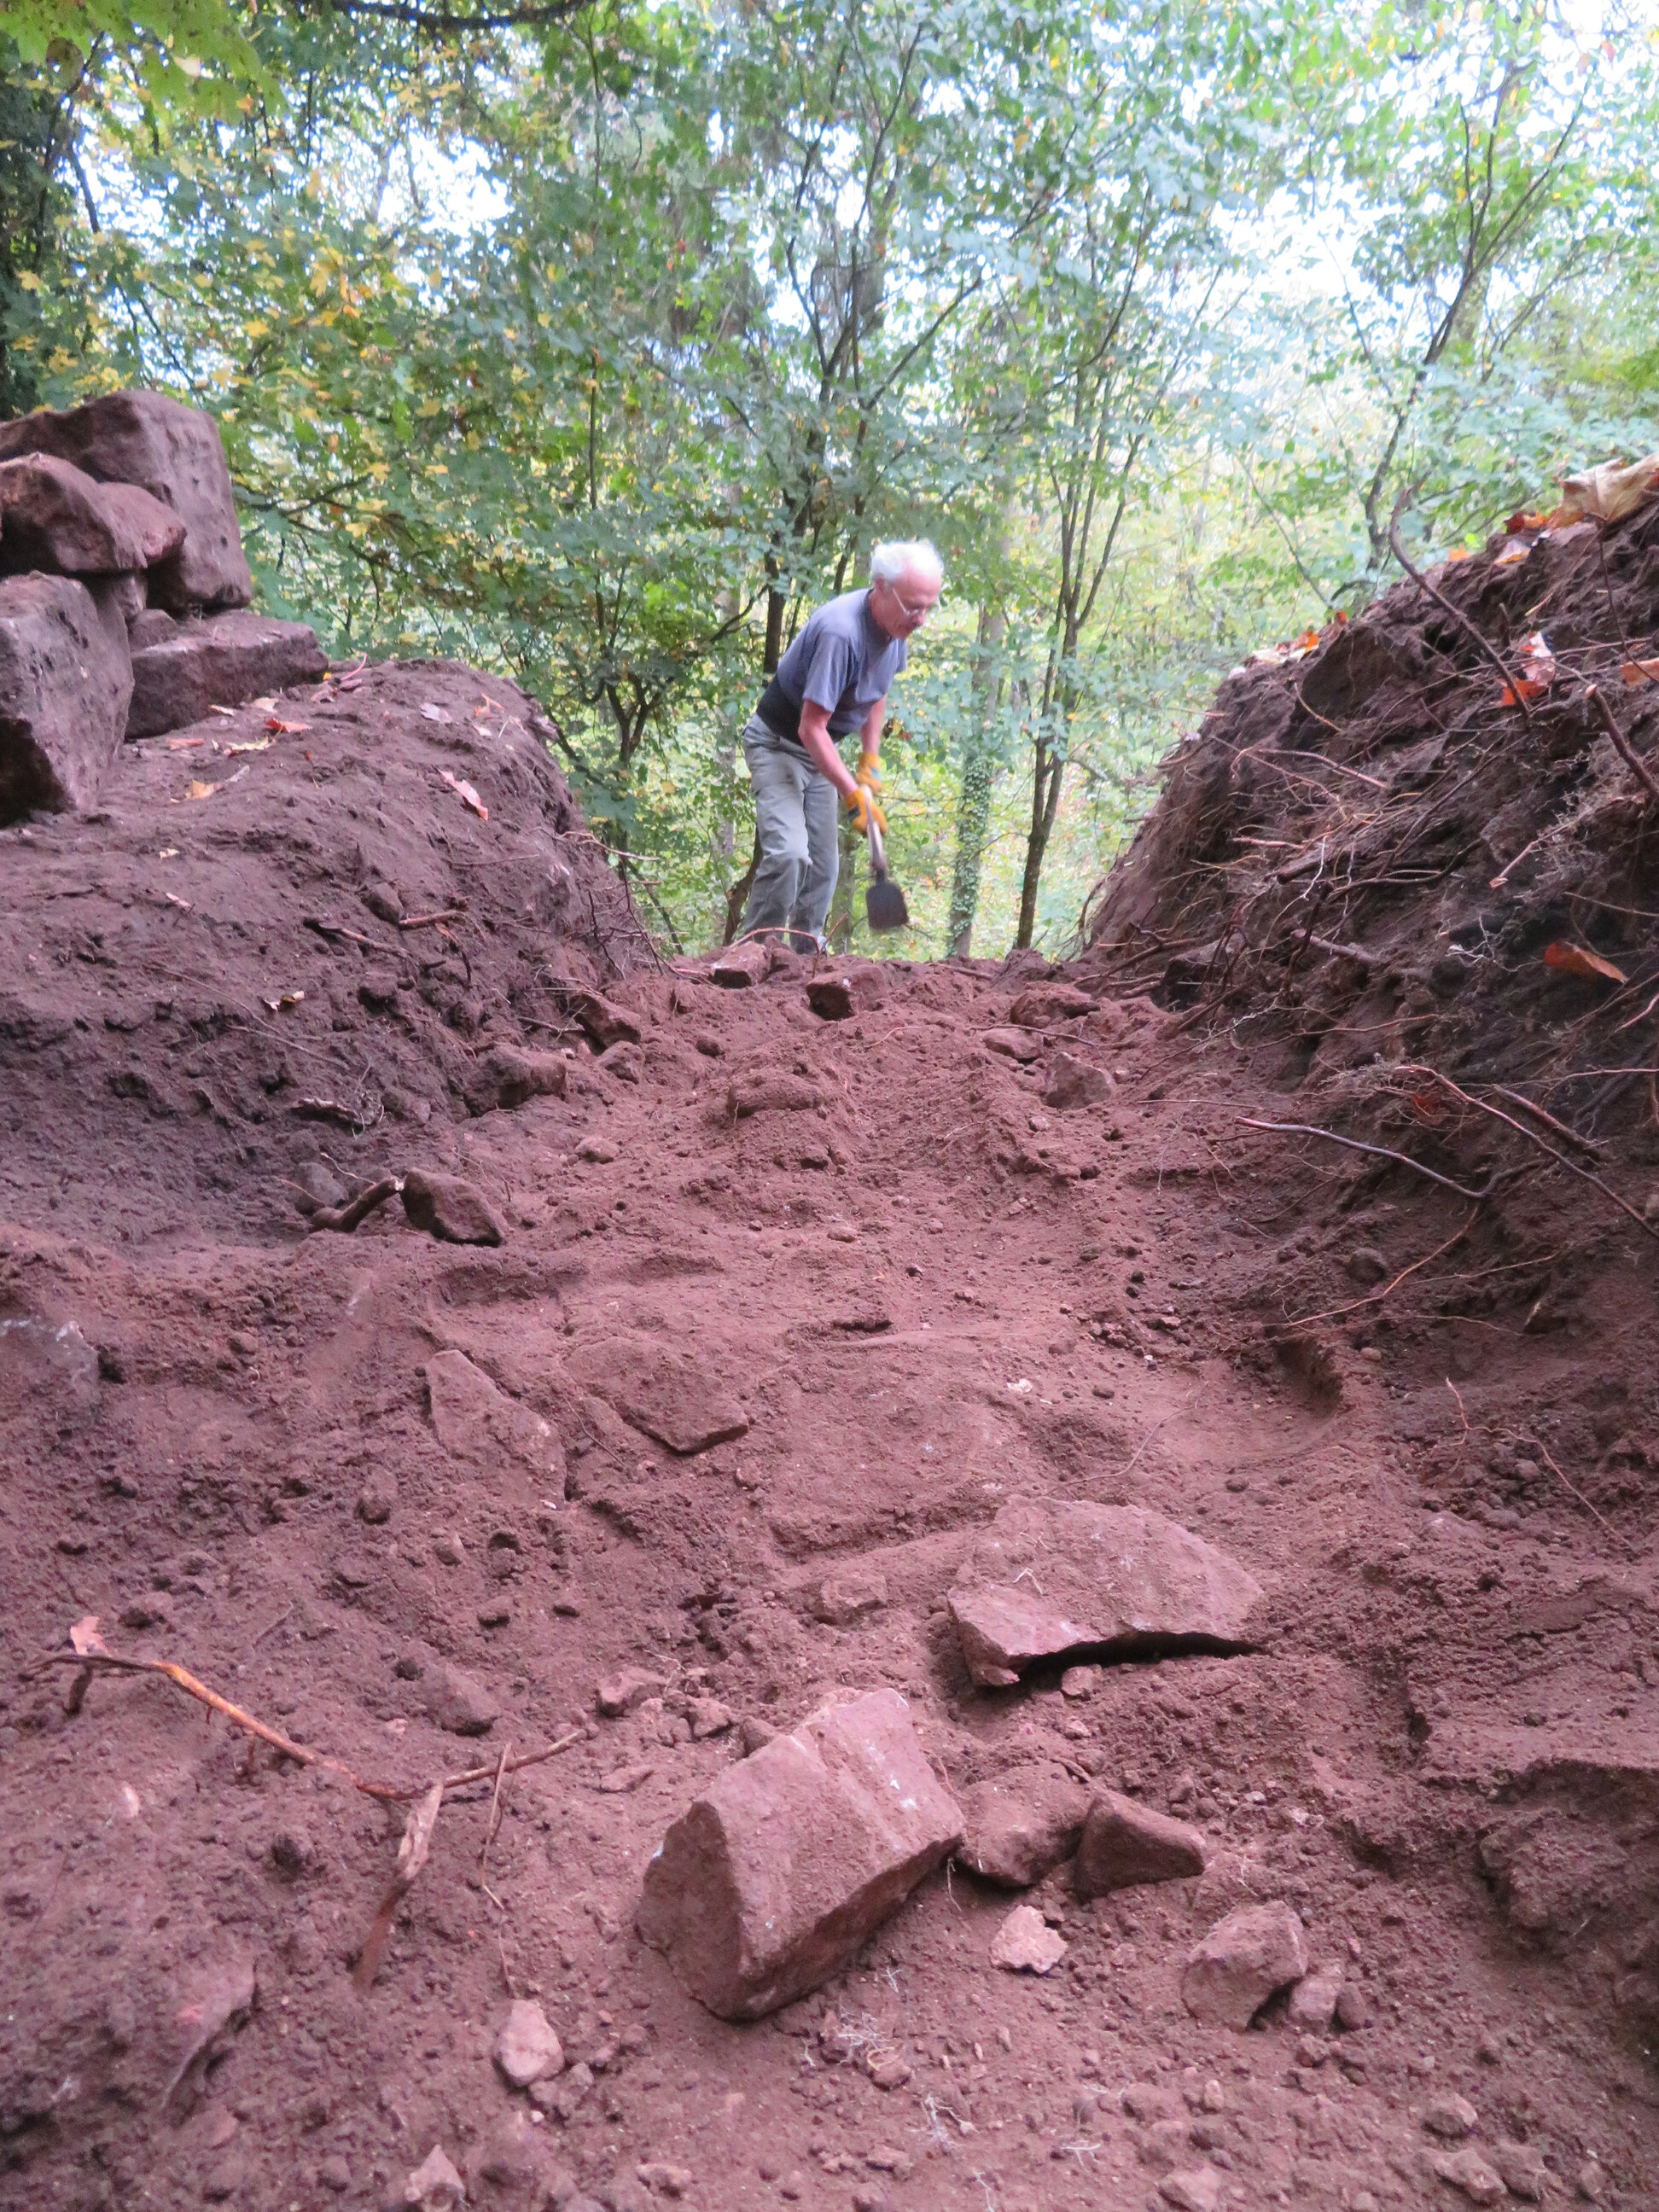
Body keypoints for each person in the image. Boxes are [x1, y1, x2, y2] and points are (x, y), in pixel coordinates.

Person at [737, 539, 944, 948]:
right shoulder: (842, 634)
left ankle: (804, 961)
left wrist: (870, 760)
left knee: (824, 870)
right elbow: (810, 728)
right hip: (778, 743)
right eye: (914, 607)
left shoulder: (896, 627)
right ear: (881, 587)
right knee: (790, 856)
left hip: (818, 754)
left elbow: (877, 691)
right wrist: (852, 794)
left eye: (928, 608)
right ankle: (752, 956)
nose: (921, 619)